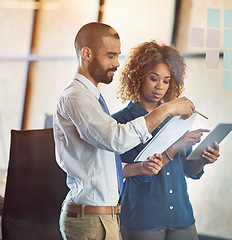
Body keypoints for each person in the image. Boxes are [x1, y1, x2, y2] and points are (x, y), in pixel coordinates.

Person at [53, 22, 195, 240]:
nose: (117, 64)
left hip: (105, 217)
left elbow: (104, 164)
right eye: (111, 56)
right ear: (87, 53)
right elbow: (116, 140)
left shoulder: (92, 99)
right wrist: (168, 109)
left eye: (117, 56)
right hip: (95, 218)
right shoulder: (76, 97)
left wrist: (138, 169)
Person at [112, 41, 220, 240]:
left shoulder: (176, 119)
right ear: (138, 76)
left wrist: (203, 159)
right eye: (154, 78)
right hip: (142, 219)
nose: (160, 86)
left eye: (166, 81)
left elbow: (189, 171)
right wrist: (176, 146)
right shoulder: (121, 122)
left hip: (182, 218)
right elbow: (136, 174)